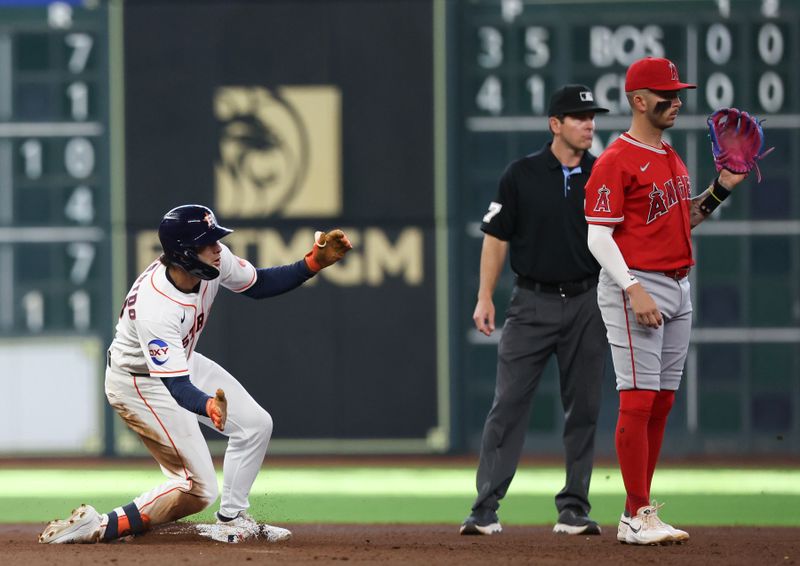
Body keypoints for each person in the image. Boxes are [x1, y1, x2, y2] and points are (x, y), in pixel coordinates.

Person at [38, 204, 352, 544]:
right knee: (199, 488)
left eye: (216, 240)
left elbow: (258, 284)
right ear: (185, 253)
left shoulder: (211, 263)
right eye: (208, 243)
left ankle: (232, 519)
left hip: (179, 362)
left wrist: (312, 264)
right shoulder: (156, 307)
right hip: (137, 381)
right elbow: (176, 386)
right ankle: (99, 526)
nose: (217, 248)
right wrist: (207, 406)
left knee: (256, 425)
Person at [584, 57, 747, 545]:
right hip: (635, 284)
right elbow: (598, 236)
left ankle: (641, 510)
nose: (676, 100)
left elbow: (679, 221)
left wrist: (720, 190)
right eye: (666, 94)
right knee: (636, 399)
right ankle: (636, 514)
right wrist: (632, 287)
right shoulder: (615, 159)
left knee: (661, 401)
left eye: (677, 93)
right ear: (638, 100)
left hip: (678, 283)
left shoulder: (671, 156)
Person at [460, 85, 610, 537]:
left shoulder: (603, 175)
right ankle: (485, 509)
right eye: (579, 117)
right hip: (531, 302)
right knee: (507, 405)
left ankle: (574, 509)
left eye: (592, 117)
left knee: (584, 405)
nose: (589, 124)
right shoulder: (521, 174)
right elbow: (496, 236)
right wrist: (486, 296)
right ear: (555, 124)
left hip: (587, 300)